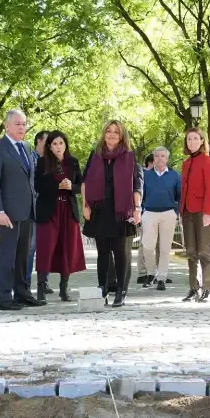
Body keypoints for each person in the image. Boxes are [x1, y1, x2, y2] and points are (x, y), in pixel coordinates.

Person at [0, 109, 45, 310]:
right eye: (18, 124)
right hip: (8, 213)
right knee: (7, 255)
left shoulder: (27, 148)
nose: (22, 127)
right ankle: (4, 298)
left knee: (23, 255)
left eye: (24, 123)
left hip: (28, 211)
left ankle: (22, 293)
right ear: (7, 126)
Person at [82, 120, 142, 308]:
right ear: (104, 133)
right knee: (103, 254)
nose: (112, 134)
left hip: (122, 212)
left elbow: (137, 185)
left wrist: (138, 208)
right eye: (109, 130)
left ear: (122, 135)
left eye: (116, 132)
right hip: (100, 210)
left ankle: (121, 291)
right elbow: (85, 181)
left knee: (122, 254)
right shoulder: (95, 155)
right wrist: (85, 205)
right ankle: (102, 289)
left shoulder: (130, 157)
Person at [34, 130, 86, 302]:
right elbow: (38, 185)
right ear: (49, 145)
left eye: (61, 143)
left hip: (68, 210)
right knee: (45, 248)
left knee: (67, 249)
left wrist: (72, 186)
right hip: (49, 210)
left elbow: (81, 185)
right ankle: (41, 290)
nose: (58, 147)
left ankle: (64, 289)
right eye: (54, 144)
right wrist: (57, 186)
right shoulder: (42, 162)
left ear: (65, 145)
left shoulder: (73, 162)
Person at [180, 128, 210, 303]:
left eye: (195, 138)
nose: (192, 142)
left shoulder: (208, 161)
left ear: (202, 141)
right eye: (189, 139)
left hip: (202, 211)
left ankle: (208, 288)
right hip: (187, 211)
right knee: (191, 252)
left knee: (204, 251)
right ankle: (194, 288)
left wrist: (208, 212)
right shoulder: (186, 163)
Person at [141, 147, 181, 290]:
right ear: (153, 158)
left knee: (165, 248)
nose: (159, 158)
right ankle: (151, 273)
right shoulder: (146, 175)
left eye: (163, 156)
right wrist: (140, 212)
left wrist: (176, 212)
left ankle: (161, 278)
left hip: (168, 214)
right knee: (147, 246)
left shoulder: (175, 175)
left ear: (167, 158)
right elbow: (140, 194)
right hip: (149, 213)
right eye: (157, 156)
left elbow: (179, 195)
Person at [28, 130, 52, 295]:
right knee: (31, 246)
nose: (50, 145)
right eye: (46, 142)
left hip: (47, 208)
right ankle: (26, 282)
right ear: (38, 141)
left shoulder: (52, 161)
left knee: (46, 247)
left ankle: (44, 282)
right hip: (31, 207)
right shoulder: (30, 158)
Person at [136, 152, 155, 284]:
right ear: (150, 162)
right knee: (144, 244)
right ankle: (142, 273)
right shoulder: (143, 174)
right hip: (146, 213)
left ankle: (157, 273)